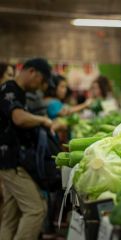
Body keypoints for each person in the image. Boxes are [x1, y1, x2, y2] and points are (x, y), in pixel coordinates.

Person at [0, 58, 54, 240]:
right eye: (42, 81)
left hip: (9, 161)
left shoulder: (18, 92)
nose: (41, 87)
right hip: (13, 162)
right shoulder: (10, 89)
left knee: (11, 217)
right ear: (33, 72)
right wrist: (43, 121)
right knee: (36, 210)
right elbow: (19, 118)